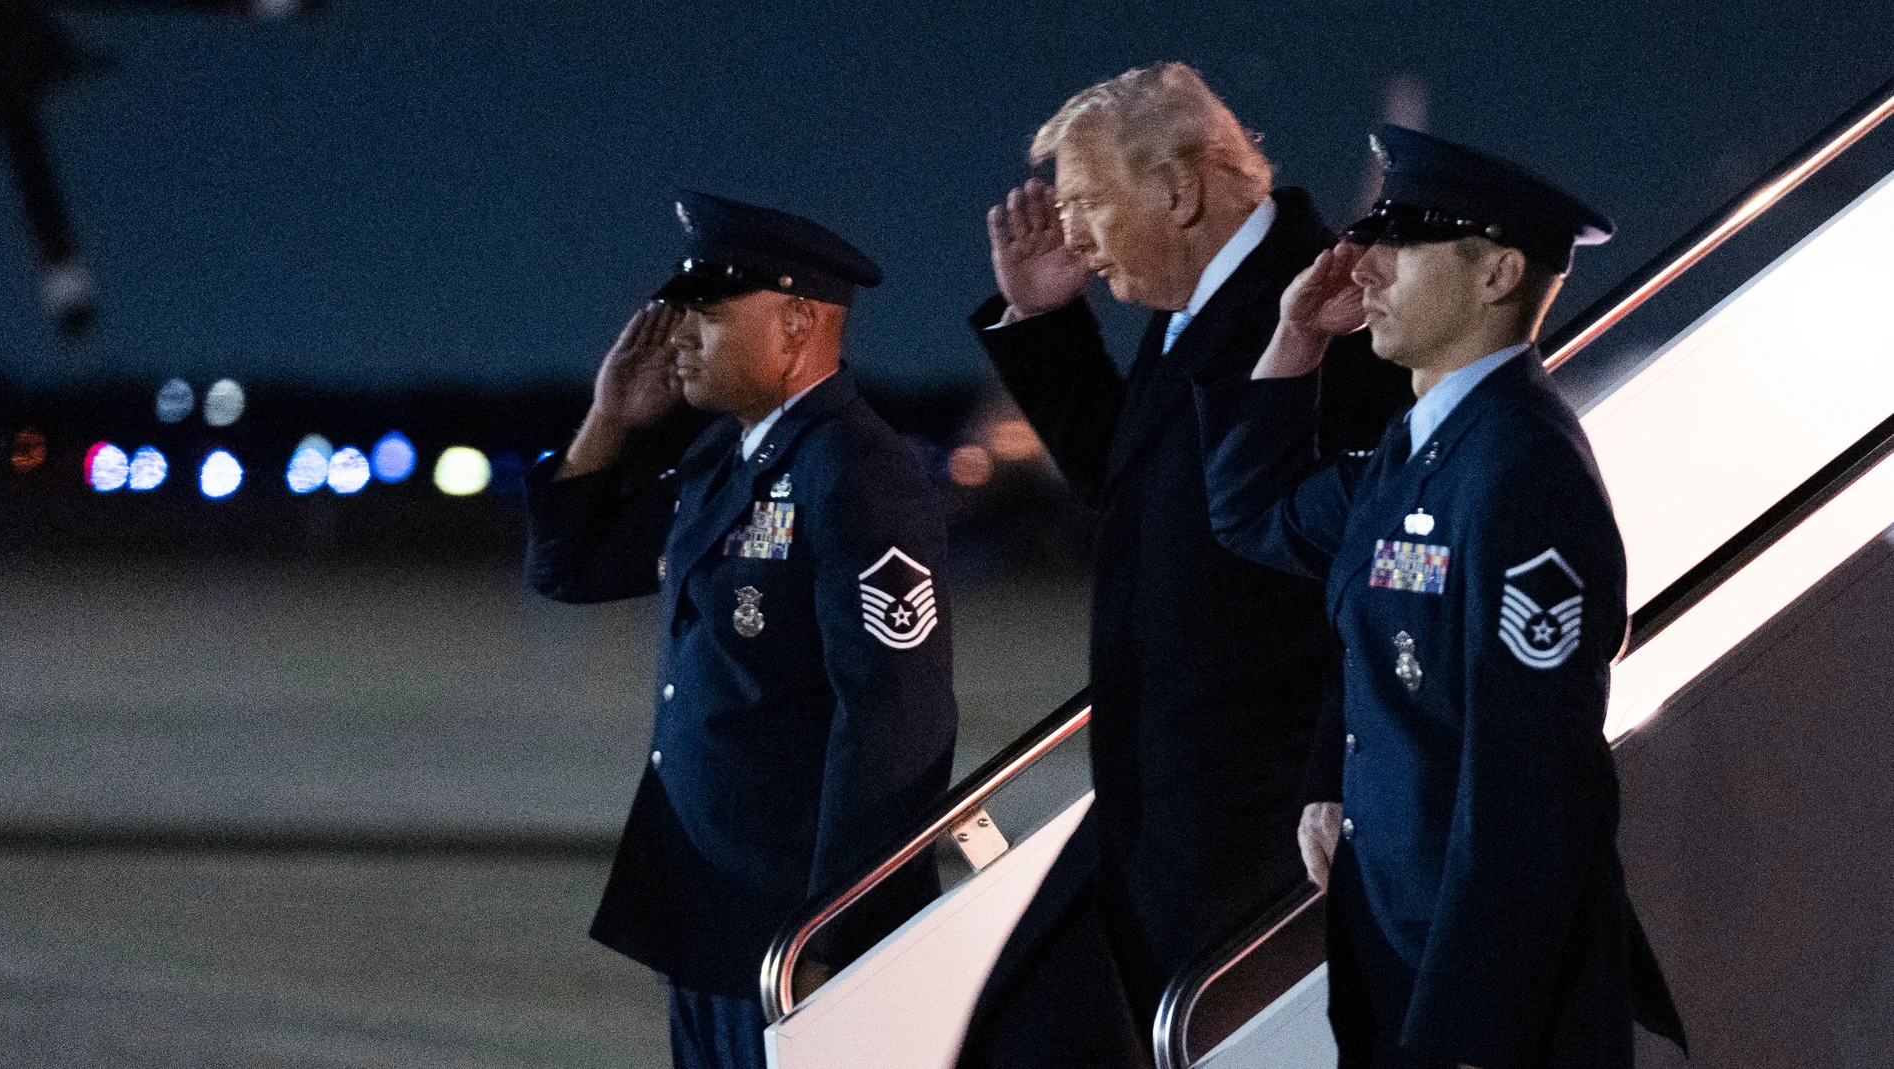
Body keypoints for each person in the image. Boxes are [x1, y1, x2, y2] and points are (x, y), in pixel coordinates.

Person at [1195, 125, 1688, 1068]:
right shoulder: (1422, 449)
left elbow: (1528, 790)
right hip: (1399, 934)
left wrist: (1469, 1035)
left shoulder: (1520, 472)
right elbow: (1252, 515)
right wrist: (1294, 338)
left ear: (1498, 272)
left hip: (1479, 993)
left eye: (1401, 243)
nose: (1363, 266)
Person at [958, 63, 1409, 1068]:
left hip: (1257, 820)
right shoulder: (1193, 309)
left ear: (1176, 190)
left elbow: (1376, 563)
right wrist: (1046, 323)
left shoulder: (1327, 307)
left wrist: (1342, 765)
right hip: (1156, 800)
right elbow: (1143, 490)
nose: (1072, 235)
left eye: (1086, 205)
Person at [525, 192, 958, 1069]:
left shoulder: (853, 468)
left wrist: (841, 925)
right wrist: (610, 420)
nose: (676, 333)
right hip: (711, 910)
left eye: (707, 314)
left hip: (790, 923)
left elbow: (894, 714)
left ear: (798, 322)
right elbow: (568, 569)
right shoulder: (727, 455)